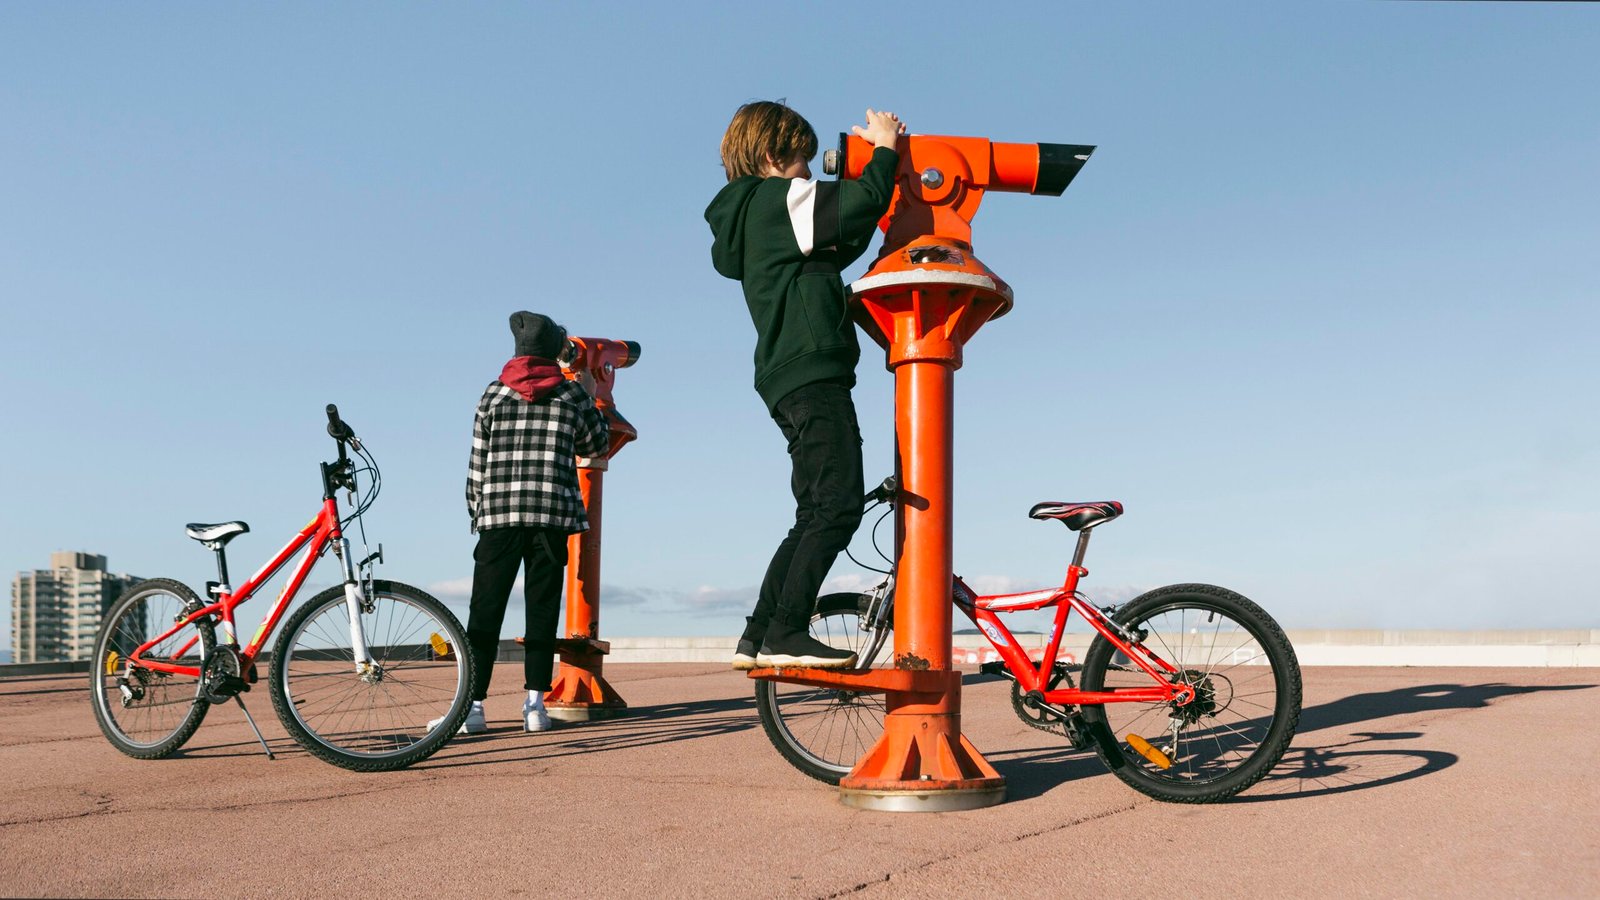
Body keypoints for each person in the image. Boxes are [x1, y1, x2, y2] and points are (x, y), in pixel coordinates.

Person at [704, 102, 904, 668]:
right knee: (838, 508)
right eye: (803, 163)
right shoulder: (775, 199)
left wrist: (876, 197)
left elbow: (841, 236)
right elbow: (859, 203)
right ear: (773, 157)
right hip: (812, 371)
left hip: (788, 375)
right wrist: (885, 149)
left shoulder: (757, 218)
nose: (810, 175)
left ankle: (759, 633)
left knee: (814, 511)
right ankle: (787, 630)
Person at [435, 311, 610, 734]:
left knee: (484, 613)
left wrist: (478, 513)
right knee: (542, 611)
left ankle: (472, 707)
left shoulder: (494, 394)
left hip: (498, 517)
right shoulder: (570, 394)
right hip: (551, 516)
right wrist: (590, 393)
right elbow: (596, 444)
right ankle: (535, 706)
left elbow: (477, 464)